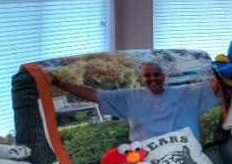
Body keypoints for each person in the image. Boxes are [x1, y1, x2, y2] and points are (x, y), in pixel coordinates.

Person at [48, 60, 220, 145]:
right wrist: (57, 82)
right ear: (141, 79)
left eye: (157, 74)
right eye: (148, 75)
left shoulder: (185, 93)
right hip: (146, 158)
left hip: (185, 154)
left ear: (163, 76)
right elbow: (94, 94)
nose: (153, 78)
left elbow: (214, 86)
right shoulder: (128, 97)